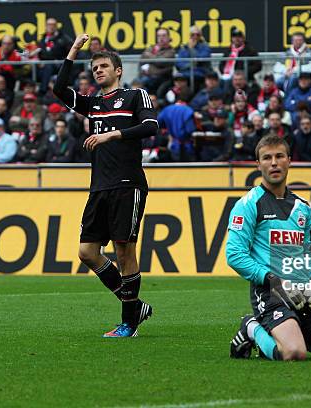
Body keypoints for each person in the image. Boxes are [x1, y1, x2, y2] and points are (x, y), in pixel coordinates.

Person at [53, 34, 158, 337]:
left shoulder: (136, 95)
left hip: (128, 183)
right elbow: (60, 89)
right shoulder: (94, 104)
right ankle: (134, 305)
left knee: (124, 251)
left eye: (103, 66)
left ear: (118, 71)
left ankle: (129, 323)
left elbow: (151, 126)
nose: (97, 71)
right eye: (95, 67)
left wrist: (111, 135)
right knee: (87, 251)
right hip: (99, 186)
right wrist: (73, 51)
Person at [227, 135, 311, 361]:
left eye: (279, 156)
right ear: (258, 165)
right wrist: (274, 280)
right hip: (271, 293)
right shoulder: (248, 204)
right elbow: (235, 255)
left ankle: (296, 333)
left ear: (289, 160)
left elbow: (310, 253)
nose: (274, 163)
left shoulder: (302, 207)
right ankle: (251, 327)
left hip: (305, 294)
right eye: (267, 158)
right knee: (293, 352)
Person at [37, 18, 72, 95]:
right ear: (46, 26)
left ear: (56, 26)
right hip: (45, 67)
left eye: (53, 25)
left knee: (48, 66)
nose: (51, 27)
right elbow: (40, 53)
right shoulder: (43, 39)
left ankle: (43, 90)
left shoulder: (64, 38)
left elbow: (70, 51)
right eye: (49, 25)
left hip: (59, 65)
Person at [157, 93, 196, 161]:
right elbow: (190, 129)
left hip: (173, 145)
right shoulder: (188, 110)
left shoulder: (167, 109)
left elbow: (158, 123)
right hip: (187, 146)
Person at [139, 28, 175, 95]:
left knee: (142, 83)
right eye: (159, 36)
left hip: (163, 78)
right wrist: (155, 60)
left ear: (168, 37)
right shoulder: (151, 48)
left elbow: (161, 62)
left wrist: (150, 59)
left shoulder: (171, 51)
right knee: (137, 83)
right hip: (147, 77)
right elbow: (143, 58)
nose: (161, 38)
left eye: (164, 35)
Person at [176, 25, 212, 90]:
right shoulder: (184, 48)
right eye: (193, 34)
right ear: (189, 35)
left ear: (201, 36)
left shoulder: (205, 47)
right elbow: (178, 63)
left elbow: (201, 59)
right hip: (185, 73)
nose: (195, 37)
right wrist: (189, 65)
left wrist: (191, 49)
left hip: (200, 73)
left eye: (197, 35)